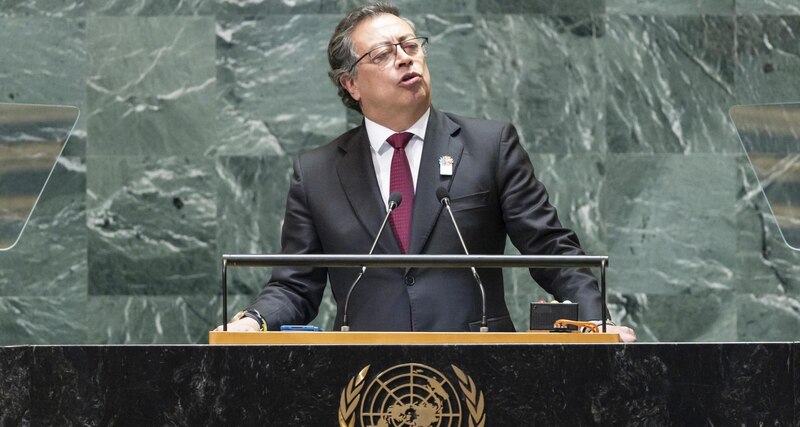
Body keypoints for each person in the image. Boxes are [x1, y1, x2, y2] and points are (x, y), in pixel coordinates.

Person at [218, 2, 636, 342]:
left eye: (411, 45)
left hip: (483, 369)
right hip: (364, 380)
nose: (405, 59)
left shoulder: (490, 146)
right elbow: (295, 285)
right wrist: (254, 319)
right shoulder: (317, 172)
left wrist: (598, 322)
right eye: (383, 54)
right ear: (351, 85)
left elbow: (550, 250)